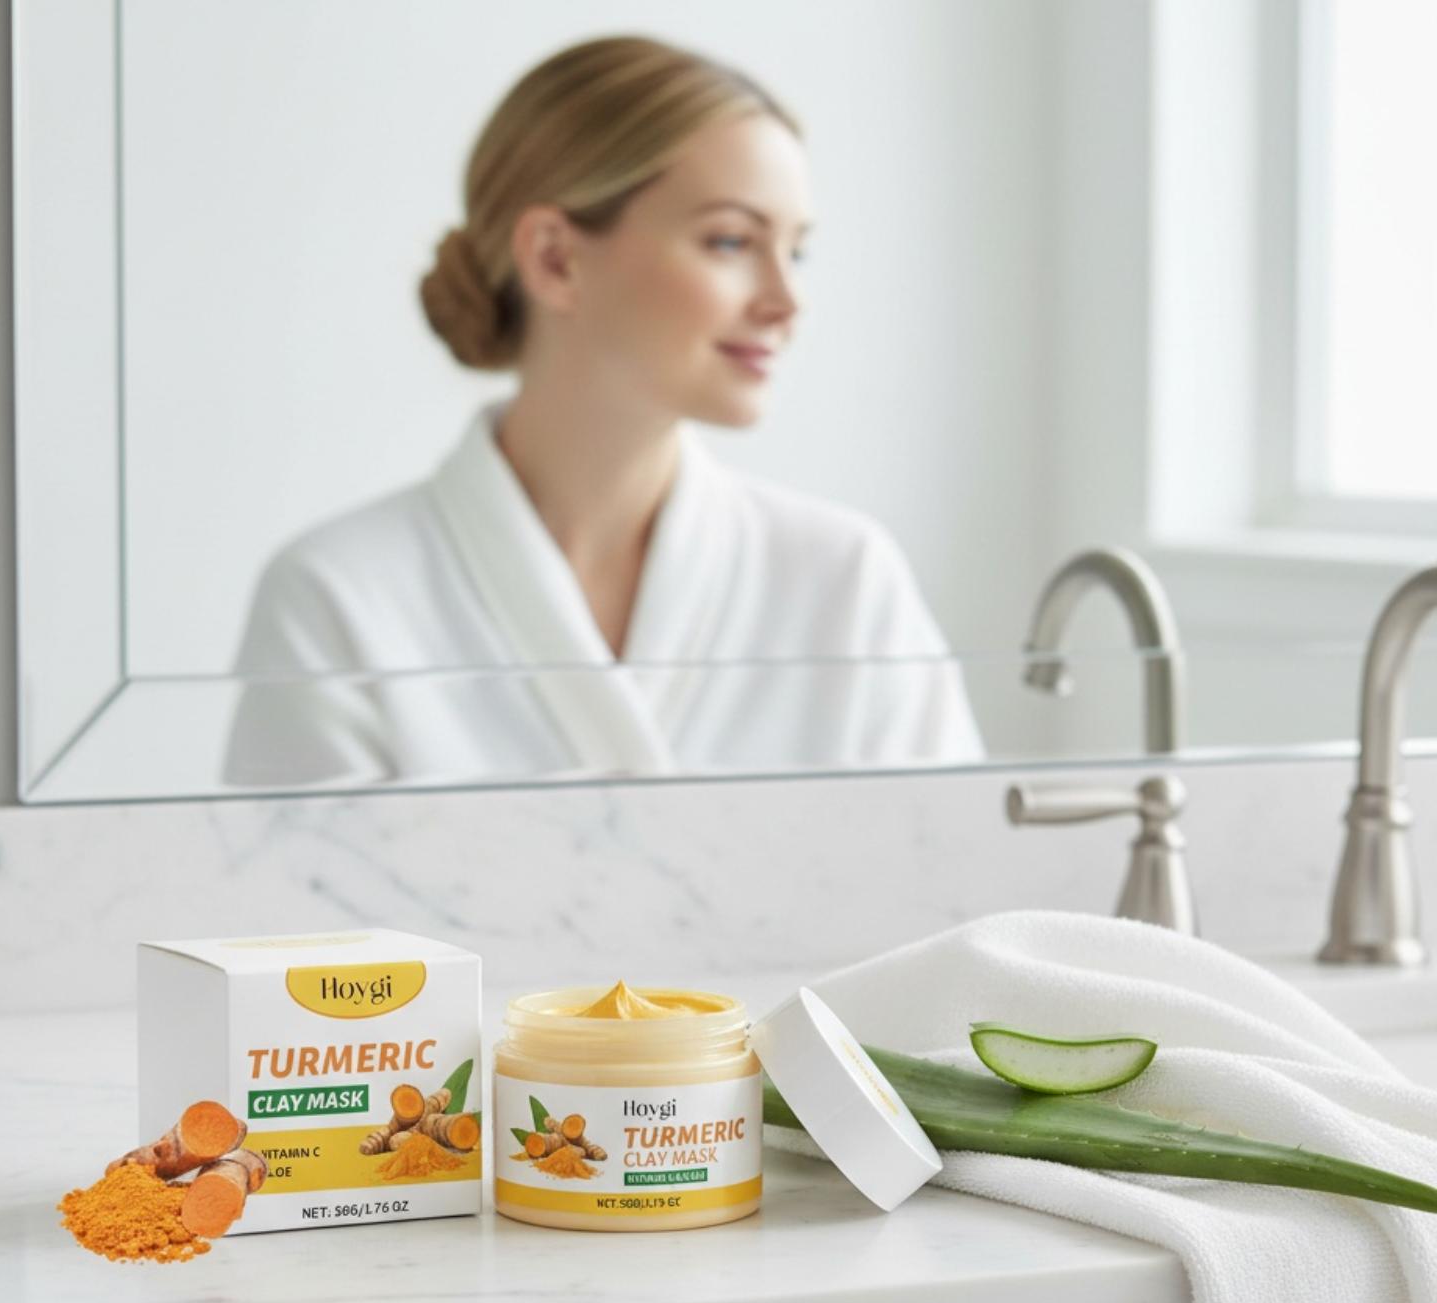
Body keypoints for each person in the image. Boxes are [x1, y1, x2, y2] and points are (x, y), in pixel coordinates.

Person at [223, 35, 983, 788]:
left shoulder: (843, 579)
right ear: (555, 259)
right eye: (730, 241)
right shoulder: (337, 597)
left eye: (798, 251)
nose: (787, 301)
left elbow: (953, 861)